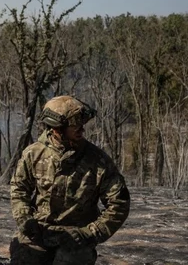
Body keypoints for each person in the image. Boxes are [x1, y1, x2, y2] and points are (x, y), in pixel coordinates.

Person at [9, 95, 131, 265]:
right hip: (39, 231)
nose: (82, 130)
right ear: (57, 129)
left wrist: (90, 233)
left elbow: (119, 203)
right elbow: (19, 188)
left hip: (77, 238)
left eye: (82, 126)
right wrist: (24, 218)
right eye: (76, 127)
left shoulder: (98, 161)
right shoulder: (33, 154)